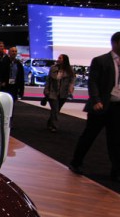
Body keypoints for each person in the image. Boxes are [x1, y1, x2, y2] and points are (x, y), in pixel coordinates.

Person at [69, 31, 120, 181]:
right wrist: (96, 99)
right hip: (100, 105)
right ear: (115, 43)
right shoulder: (100, 60)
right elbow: (93, 82)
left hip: (117, 107)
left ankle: (116, 170)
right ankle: (76, 162)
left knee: (116, 140)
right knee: (89, 136)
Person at [43, 54, 76, 132]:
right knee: (55, 109)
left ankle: (49, 123)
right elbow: (48, 80)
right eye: (58, 58)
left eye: (60, 58)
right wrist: (46, 90)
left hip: (63, 93)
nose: (58, 59)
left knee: (56, 110)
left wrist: (71, 87)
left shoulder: (69, 70)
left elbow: (72, 79)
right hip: (53, 92)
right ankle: (54, 126)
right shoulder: (53, 68)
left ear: (64, 60)